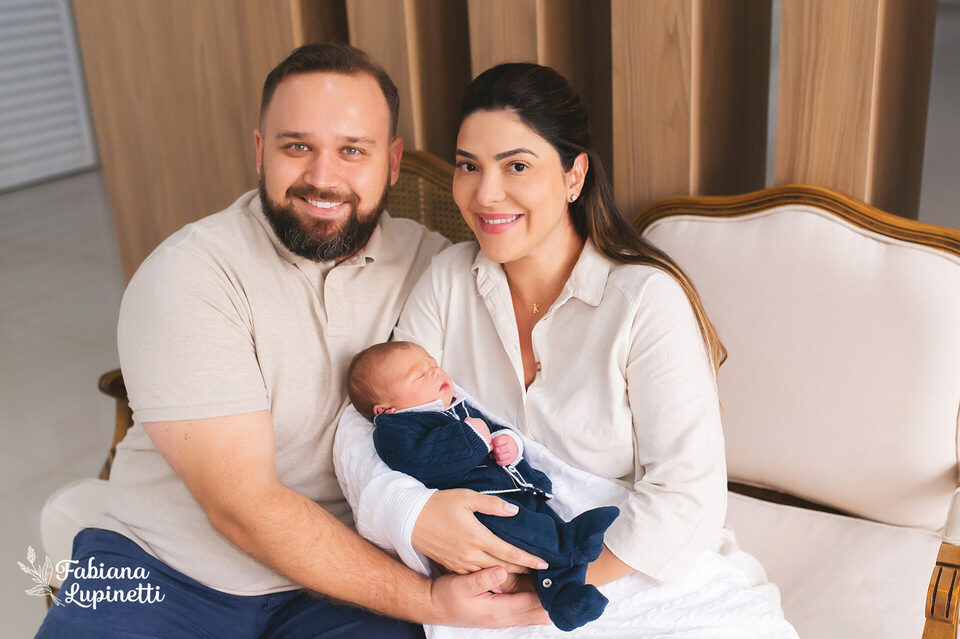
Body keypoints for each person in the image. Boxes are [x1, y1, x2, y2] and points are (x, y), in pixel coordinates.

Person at [35, 45, 552, 639]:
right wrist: (428, 601)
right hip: (163, 564)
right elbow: (242, 507)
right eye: (297, 147)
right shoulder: (189, 275)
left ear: (391, 162)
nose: (323, 178)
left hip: (351, 579)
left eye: (352, 150)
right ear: (261, 151)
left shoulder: (436, 269)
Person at [335, 63, 798, 636]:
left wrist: (547, 583)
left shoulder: (645, 299)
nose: (485, 193)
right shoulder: (449, 280)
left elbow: (685, 498)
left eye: (517, 166)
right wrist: (415, 515)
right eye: (469, 166)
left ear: (574, 175)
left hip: (626, 572)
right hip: (490, 577)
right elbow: (365, 425)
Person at [347, 341, 620, 631]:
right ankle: (570, 546)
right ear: (386, 409)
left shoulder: (457, 406)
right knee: (542, 537)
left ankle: (567, 597)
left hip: (516, 489)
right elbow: (428, 459)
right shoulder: (396, 430)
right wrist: (473, 436)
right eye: (419, 375)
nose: (435, 372)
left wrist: (510, 444)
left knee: (546, 527)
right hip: (479, 507)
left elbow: (496, 429)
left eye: (433, 364)